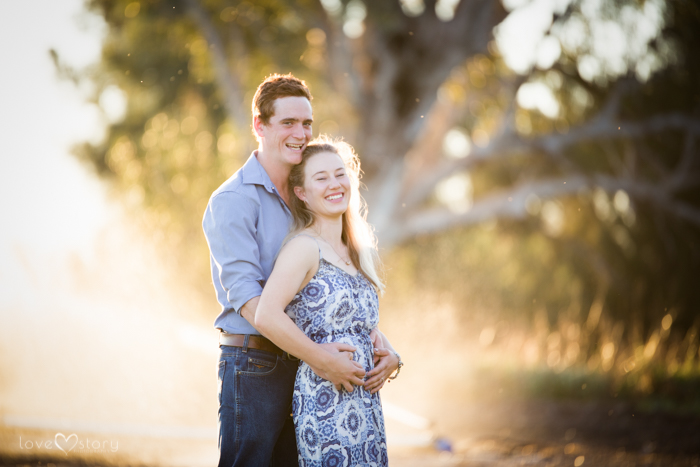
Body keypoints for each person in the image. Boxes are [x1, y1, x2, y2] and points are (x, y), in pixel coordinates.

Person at [202, 74, 398, 466]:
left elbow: (327, 295)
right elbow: (252, 305)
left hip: (304, 365)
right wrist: (319, 358)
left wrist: (381, 345)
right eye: (288, 123)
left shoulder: (307, 194)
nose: (301, 133)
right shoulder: (234, 200)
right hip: (255, 363)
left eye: (307, 123)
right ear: (259, 126)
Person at [255, 138, 401, 466]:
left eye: (340, 174)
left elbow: (363, 325)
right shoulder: (304, 248)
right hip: (325, 401)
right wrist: (321, 358)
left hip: (366, 405)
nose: (334, 184)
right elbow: (266, 315)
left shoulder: (356, 252)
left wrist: (392, 358)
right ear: (302, 193)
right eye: (321, 178)